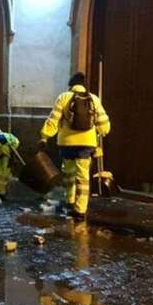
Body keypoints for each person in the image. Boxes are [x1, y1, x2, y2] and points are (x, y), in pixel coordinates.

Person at [39, 72, 110, 220]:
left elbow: (53, 120)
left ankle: (70, 200)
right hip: (87, 143)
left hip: (67, 143)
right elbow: (104, 124)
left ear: (71, 85)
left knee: (68, 172)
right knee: (82, 177)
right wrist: (103, 131)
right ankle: (80, 210)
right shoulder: (94, 99)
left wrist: (44, 136)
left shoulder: (63, 97)